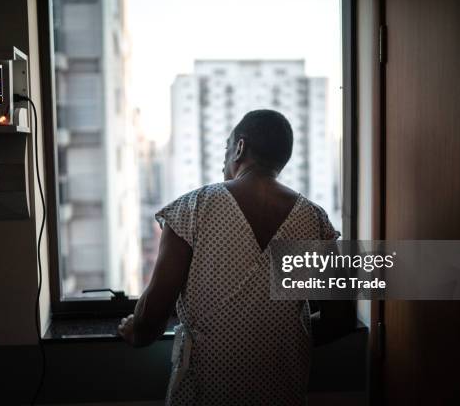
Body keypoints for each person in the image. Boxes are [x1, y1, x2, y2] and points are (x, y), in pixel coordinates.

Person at [118, 109, 341, 405]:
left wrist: (135, 331)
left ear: (239, 148)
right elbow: (340, 318)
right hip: (281, 392)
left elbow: (151, 319)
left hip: (204, 393)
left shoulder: (191, 210)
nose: (223, 161)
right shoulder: (314, 221)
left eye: (226, 149)